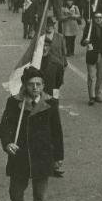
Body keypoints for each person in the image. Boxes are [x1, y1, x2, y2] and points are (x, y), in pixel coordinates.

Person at [0, 67, 64, 201]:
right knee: (16, 193)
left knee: (40, 198)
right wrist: (8, 144)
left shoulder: (50, 103)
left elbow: (57, 131)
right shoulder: (14, 102)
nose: (35, 88)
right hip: (20, 156)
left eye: (38, 84)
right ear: (24, 85)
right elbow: (4, 126)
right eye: (31, 84)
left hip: (42, 157)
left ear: (43, 85)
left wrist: (58, 157)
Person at [39, 37, 65, 178]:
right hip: (35, 103)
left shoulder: (56, 64)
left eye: (47, 46)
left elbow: (58, 82)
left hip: (51, 102)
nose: (44, 48)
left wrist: (54, 99)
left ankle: (55, 163)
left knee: (54, 131)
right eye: (42, 45)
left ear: (50, 47)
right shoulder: (33, 63)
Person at [80, 12, 102, 106]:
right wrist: (85, 41)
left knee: (101, 76)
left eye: (100, 17)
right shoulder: (89, 28)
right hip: (91, 54)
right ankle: (91, 97)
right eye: (96, 18)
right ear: (93, 19)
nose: (98, 19)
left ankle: (98, 94)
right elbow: (82, 42)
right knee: (91, 76)